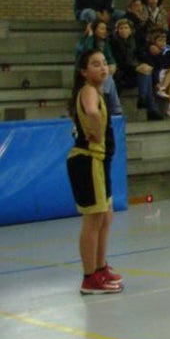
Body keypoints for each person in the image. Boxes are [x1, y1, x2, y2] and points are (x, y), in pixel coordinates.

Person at [68, 50, 122, 294]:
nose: (102, 68)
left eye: (104, 64)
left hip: (99, 161)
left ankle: (100, 268)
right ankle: (90, 277)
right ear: (84, 72)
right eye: (95, 64)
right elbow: (91, 111)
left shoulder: (97, 91)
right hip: (88, 160)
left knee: (106, 215)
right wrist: (98, 132)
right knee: (93, 220)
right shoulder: (88, 91)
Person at [110, 18, 163, 120]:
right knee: (144, 72)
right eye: (121, 28)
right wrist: (136, 68)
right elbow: (120, 63)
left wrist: (144, 65)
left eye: (126, 28)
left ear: (130, 30)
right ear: (117, 30)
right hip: (122, 74)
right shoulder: (113, 42)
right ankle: (149, 107)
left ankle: (143, 100)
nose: (124, 30)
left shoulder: (135, 41)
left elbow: (142, 56)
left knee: (146, 71)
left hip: (134, 72)